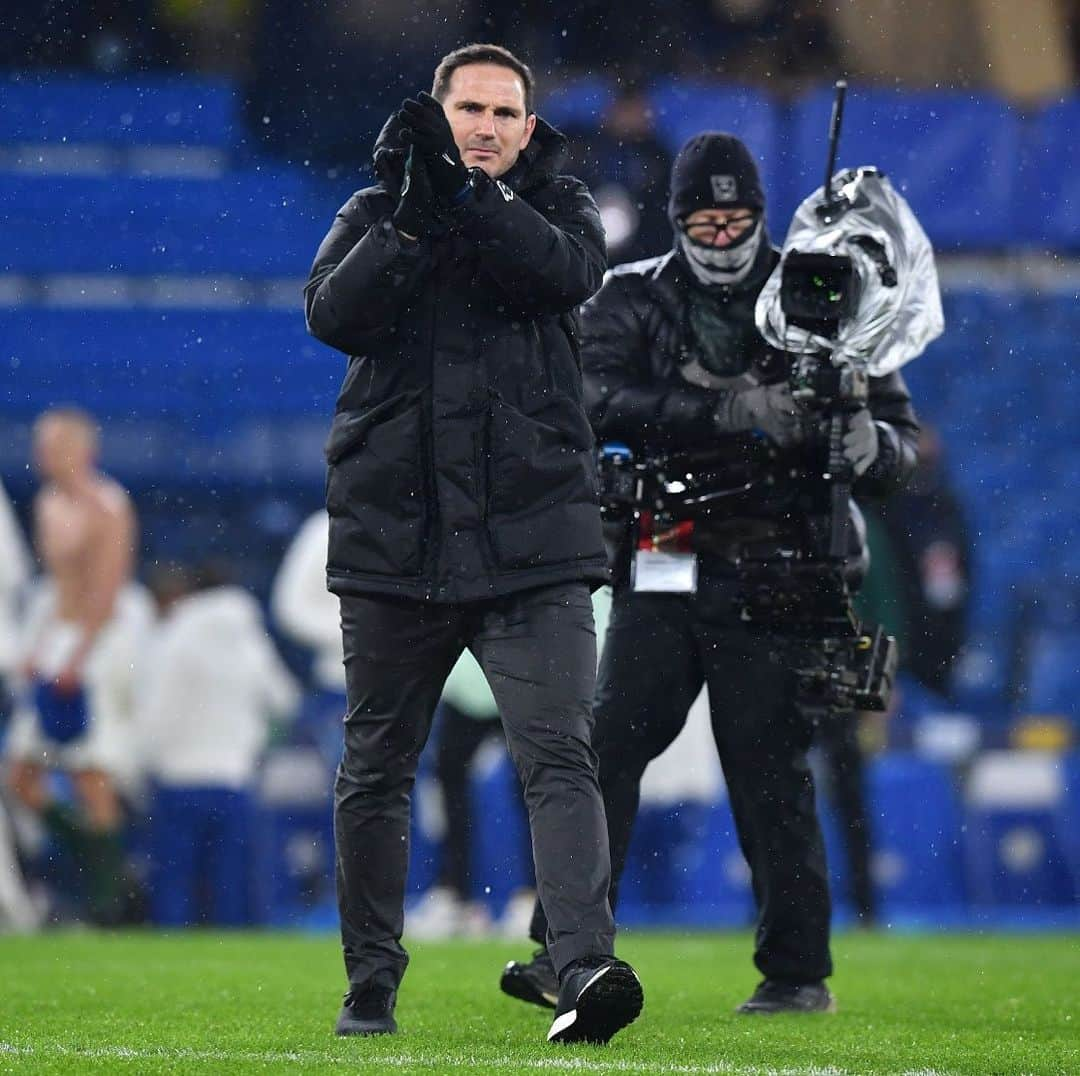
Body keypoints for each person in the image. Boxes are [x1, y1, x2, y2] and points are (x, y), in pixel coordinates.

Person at [502, 132, 919, 1014]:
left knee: (769, 766)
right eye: (704, 216)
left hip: (779, 562)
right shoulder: (628, 296)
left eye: (737, 217)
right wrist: (732, 409)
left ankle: (797, 973)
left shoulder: (826, 291)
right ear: (677, 217)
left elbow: (898, 442)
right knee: (609, 744)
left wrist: (871, 441)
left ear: (762, 216)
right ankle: (565, 953)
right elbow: (593, 395)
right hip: (666, 547)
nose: (722, 234)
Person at [304, 43, 643, 1043]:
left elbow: (562, 274)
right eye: (469, 109)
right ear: (440, 113)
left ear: (529, 130)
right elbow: (333, 316)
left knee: (558, 754)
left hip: (533, 545)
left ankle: (581, 967)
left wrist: (459, 197)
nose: (488, 126)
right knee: (376, 766)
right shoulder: (375, 213)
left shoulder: (566, 209)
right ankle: (370, 983)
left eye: (505, 112)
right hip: (396, 546)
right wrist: (415, 213)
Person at [4, 408, 153, 924]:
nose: (42, 455)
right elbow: (56, 588)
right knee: (20, 775)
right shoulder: (48, 504)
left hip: (99, 644)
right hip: (58, 637)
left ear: (82, 449)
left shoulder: (108, 505)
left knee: (92, 772)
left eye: (54, 445)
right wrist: (39, 646)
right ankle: (98, 860)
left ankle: (110, 904)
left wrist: (76, 655)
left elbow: (106, 590)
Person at [137, 562, 299, 926]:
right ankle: (234, 966)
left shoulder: (174, 635)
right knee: (231, 891)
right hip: (233, 778)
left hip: (179, 779)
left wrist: (148, 758)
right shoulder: (248, 638)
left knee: (174, 885)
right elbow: (285, 700)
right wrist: (254, 738)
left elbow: (157, 713)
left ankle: (169, 963)